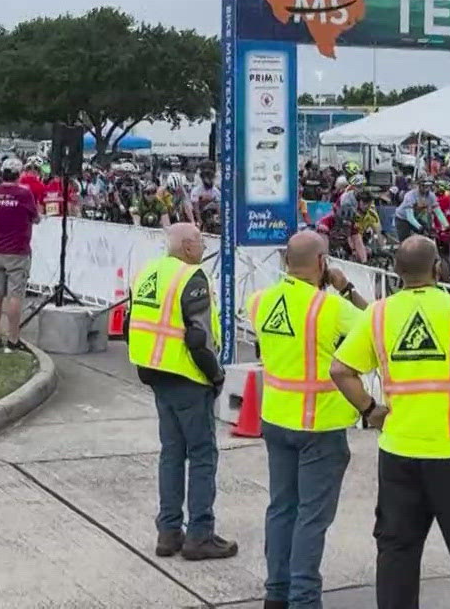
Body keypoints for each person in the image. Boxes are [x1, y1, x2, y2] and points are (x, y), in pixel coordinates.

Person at [329, 235, 450, 609]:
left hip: (399, 451)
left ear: (397, 273)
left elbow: (340, 369)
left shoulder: (379, 314)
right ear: (437, 269)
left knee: (397, 553)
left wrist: (370, 410)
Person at [248, 230, 369, 609]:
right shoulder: (329, 308)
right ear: (322, 263)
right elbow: (376, 326)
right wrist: (345, 287)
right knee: (312, 519)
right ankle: (304, 599)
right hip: (320, 425)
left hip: (276, 419)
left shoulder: (261, 301)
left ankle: (276, 594)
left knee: (281, 508)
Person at [126, 223, 236, 561]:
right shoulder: (192, 277)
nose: (203, 247)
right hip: (187, 376)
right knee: (202, 455)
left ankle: (169, 531)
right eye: (201, 242)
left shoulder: (147, 272)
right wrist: (215, 375)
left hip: (155, 373)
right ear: (187, 246)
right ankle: (200, 535)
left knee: (171, 453)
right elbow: (198, 338)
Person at [0, 161, 42, 354]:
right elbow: (35, 217)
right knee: (15, 296)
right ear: (18, 175)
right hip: (17, 250)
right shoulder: (24, 194)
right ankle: (13, 338)